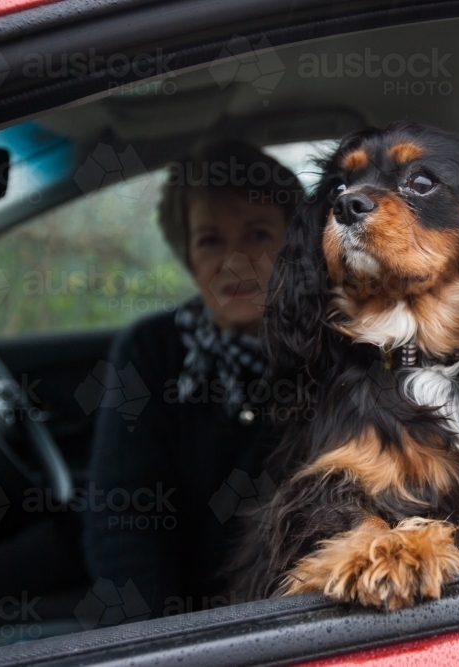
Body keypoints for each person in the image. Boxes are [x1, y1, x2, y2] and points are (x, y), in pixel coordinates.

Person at [83, 140, 305, 617]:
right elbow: (124, 520)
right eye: (210, 240)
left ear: (293, 244)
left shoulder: (329, 349)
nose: (234, 260)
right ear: (187, 254)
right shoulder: (151, 351)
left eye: (257, 234)